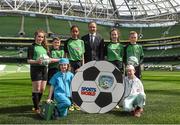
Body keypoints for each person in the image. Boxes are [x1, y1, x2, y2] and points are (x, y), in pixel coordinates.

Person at [27, 29, 49, 113]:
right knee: (37, 88)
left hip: (44, 69)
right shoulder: (32, 47)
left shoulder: (45, 47)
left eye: (42, 37)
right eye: (39, 36)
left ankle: (37, 104)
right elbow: (28, 60)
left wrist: (59, 59)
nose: (40, 38)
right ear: (35, 37)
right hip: (35, 69)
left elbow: (49, 59)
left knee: (42, 89)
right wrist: (36, 61)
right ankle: (36, 108)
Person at [64, 25, 84, 111]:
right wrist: (67, 66)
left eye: (76, 31)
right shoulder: (67, 42)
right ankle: (71, 103)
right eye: (73, 31)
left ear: (78, 32)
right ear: (70, 32)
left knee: (78, 84)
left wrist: (82, 66)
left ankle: (77, 103)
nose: (74, 33)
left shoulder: (81, 42)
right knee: (70, 84)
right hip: (70, 64)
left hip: (79, 64)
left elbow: (82, 55)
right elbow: (65, 55)